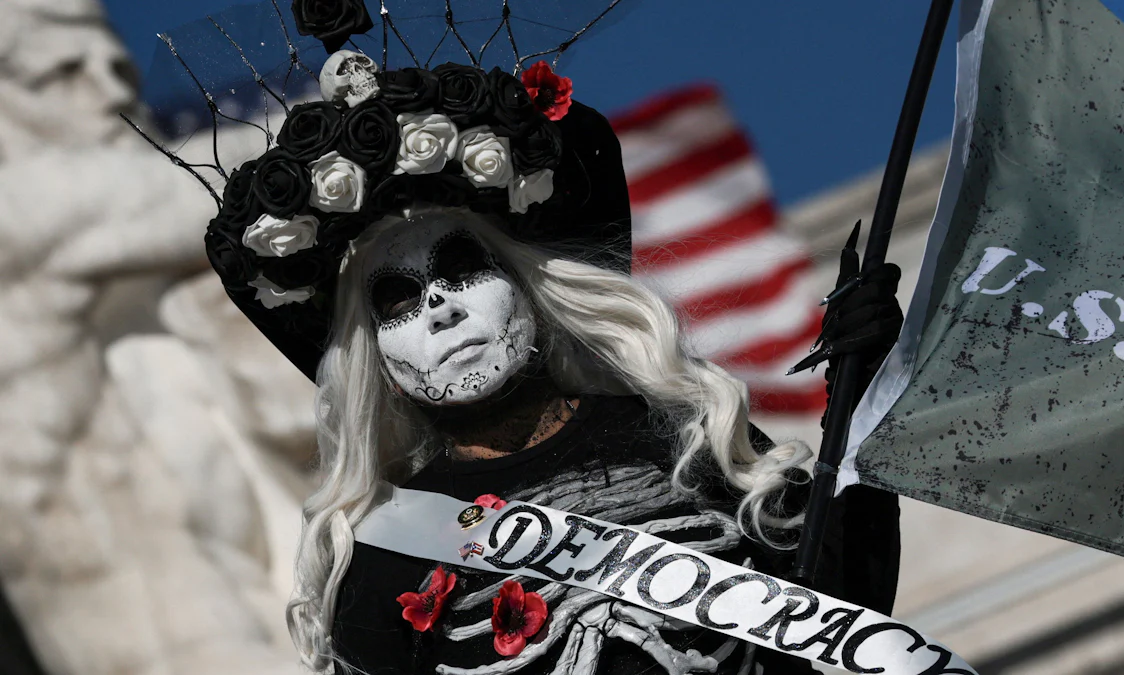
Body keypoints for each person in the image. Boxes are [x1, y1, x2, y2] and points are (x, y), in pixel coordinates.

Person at [193, 38, 905, 670]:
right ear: (376, 361)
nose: (439, 305)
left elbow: (846, 616)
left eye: (462, 267)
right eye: (399, 300)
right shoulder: (385, 555)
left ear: (529, 291)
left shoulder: (686, 435)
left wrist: (870, 391)